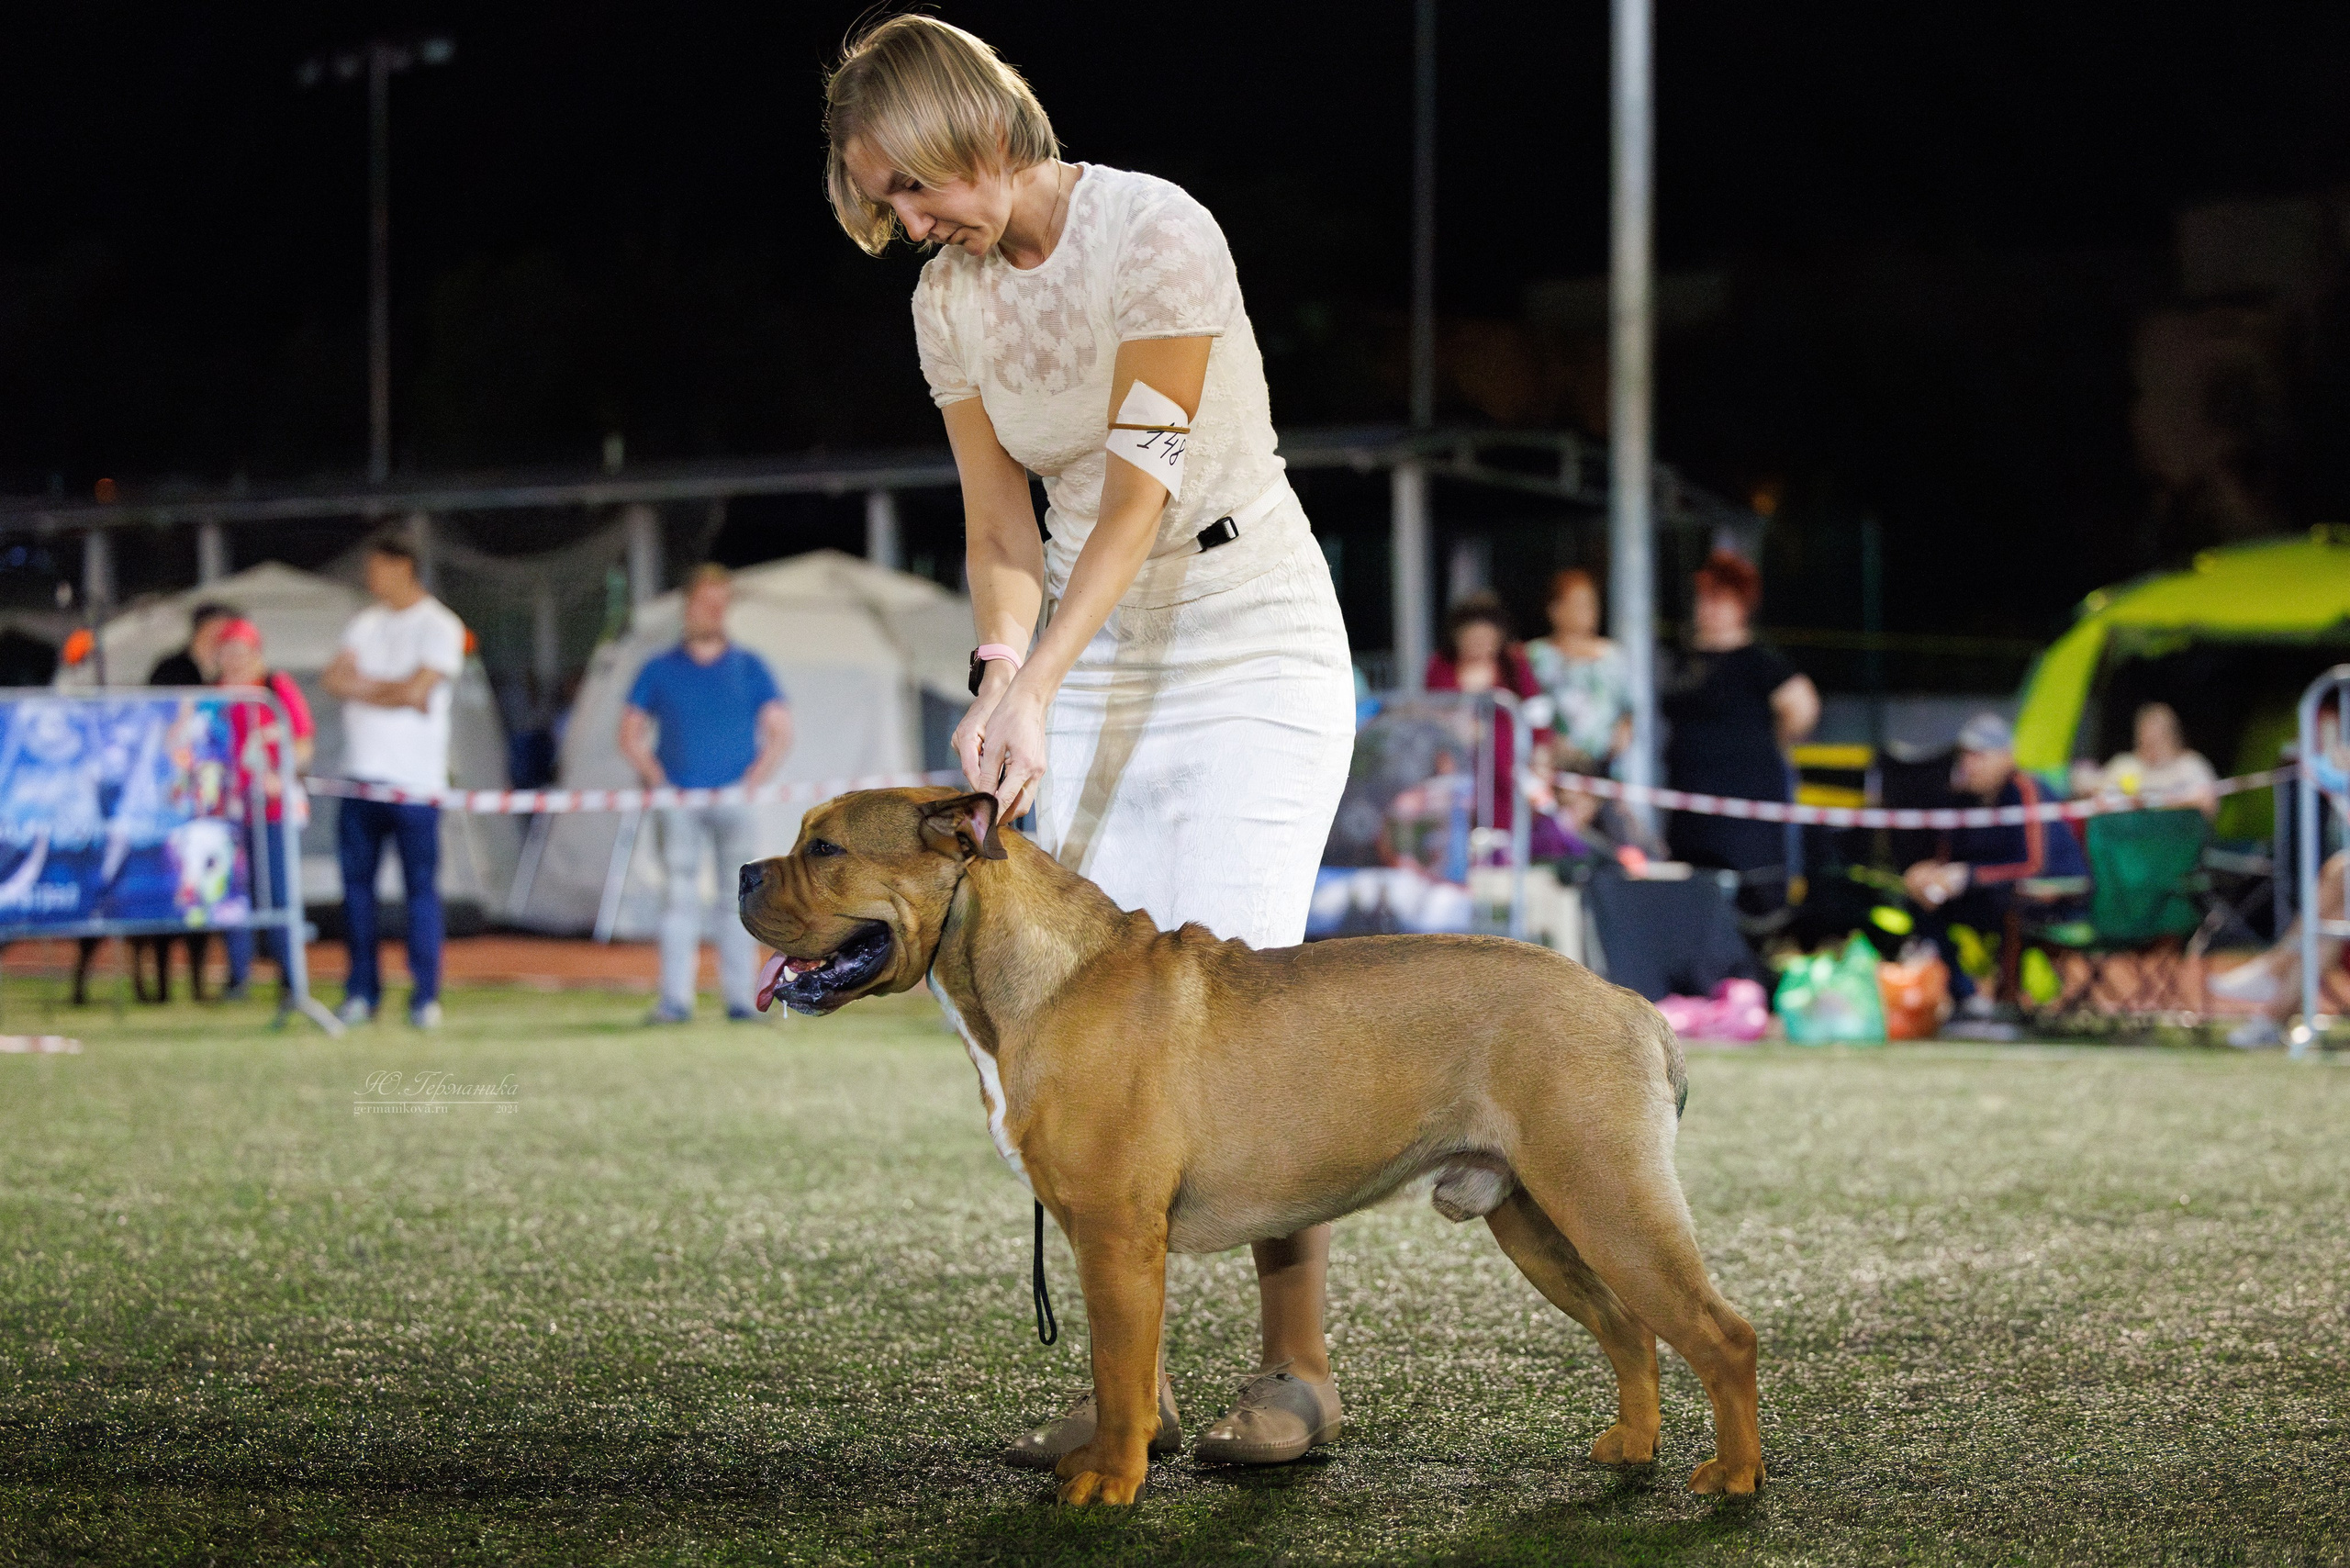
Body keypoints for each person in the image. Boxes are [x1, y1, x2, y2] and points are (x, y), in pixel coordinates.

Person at [828, 16, 1357, 1471]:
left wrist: (1042, 673)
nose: (909, 224)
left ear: (979, 133)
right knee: (1053, 999)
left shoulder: (1157, 229)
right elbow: (1004, 528)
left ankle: (1296, 1372)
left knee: (1236, 1005)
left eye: (915, 189)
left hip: (1251, 634)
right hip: (1090, 645)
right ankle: (1136, 1389)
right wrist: (1007, 671)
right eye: (886, 203)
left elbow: (1137, 490)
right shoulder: (947, 302)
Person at [619, 564, 793, 1024]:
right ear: (689, 605)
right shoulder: (657, 668)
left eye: (722, 603)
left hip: (733, 798)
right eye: (706, 602)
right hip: (679, 801)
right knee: (678, 899)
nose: (715, 612)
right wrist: (658, 780)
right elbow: (630, 732)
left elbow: (779, 730)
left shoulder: (750, 666)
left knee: (739, 901)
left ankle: (741, 999)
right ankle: (675, 1000)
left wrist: (751, 781)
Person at [321, 533, 465, 1029]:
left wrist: (368, 690)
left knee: (420, 891)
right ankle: (362, 991)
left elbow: (418, 691)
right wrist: (394, 689)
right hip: (360, 779)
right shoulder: (365, 623)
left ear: (404, 566)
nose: (370, 577)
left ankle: (425, 995)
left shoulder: (439, 625)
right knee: (357, 892)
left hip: (415, 784)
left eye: (377, 566)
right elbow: (334, 681)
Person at [1660, 551, 1818, 907]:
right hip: (1690, 813)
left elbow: (1803, 707)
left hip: (1744, 815)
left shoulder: (1759, 661)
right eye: (1705, 598)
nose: (1709, 608)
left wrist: (1765, 740)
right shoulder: (1686, 659)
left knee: (1749, 906)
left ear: (1741, 606)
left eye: (1720, 599)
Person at [1903, 711, 2087, 1010]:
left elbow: (2034, 866)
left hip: (2055, 899)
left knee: (2008, 904)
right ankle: (1968, 998)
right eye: (1965, 756)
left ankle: (2008, 1004)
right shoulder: (1961, 798)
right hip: (1991, 894)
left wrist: (1970, 877)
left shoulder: (2027, 791)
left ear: (2006, 757)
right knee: (1922, 902)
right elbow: (1950, 860)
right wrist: (1927, 874)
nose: (1969, 765)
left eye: (1979, 756)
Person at [214, 620, 313, 1002]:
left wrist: (281, 774)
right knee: (233, 895)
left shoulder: (275, 688)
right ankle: (238, 977)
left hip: (272, 811)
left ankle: (291, 975)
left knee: (280, 893)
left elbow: (303, 741)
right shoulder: (213, 696)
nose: (235, 660)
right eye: (229, 652)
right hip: (230, 813)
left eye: (242, 652)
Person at [1424, 593, 1546, 833]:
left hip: (1508, 773)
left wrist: (1541, 757)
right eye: (1472, 636)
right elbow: (1431, 716)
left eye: (1486, 636)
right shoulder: (1440, 666)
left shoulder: (1514, 663)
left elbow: (1537, 713)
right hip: (1458, 768)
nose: (1480, 643)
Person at [1525, 569, 1630, 775]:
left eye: (1592, 603)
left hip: (1603, 768)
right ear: (1555, 609)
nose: (1589, 610)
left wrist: (1624, 733)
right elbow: (1528, 706)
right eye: (1578, 603)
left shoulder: (1613, 655)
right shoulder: (1534, 655)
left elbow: (1629, 707)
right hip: (1551, 767)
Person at [2071, 701, 2219, 819]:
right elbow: (2091, 787)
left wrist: (2164, 802)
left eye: (2157, 741)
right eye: (2145, 742)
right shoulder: (2125, 764)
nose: (2151, 750)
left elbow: (2209, 806)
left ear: (2173, 738)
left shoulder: (2191, 765)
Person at [148, 602, 237, 686]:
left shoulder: (233, 673)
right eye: (212, 635)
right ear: (197, 634)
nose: (218, 643)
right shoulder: (171, 671)